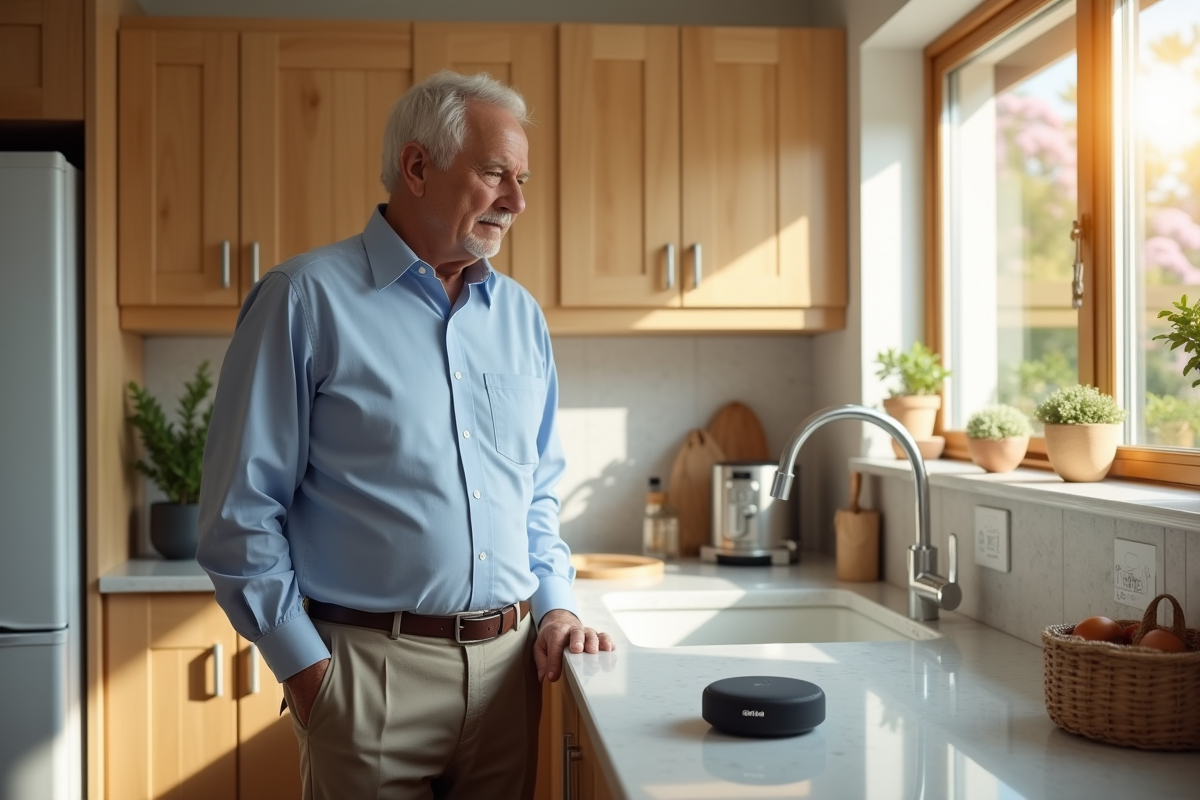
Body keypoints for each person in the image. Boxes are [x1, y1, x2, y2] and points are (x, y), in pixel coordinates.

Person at [197, 70, 614, 800]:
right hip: (367, 676)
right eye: (495, 174)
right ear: (418, 167)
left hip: (511, 672)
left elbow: (536, 493)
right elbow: (240, 512)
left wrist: (556, 605)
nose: (517, 201)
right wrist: (307, 672)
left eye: (521, 180)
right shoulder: (302, 299)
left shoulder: (521, 317)